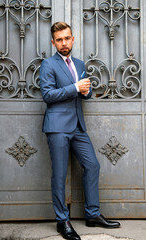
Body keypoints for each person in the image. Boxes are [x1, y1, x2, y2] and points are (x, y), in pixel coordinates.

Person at [39, 22, 120, 240]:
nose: (64, 43)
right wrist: (75, 88)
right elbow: (47, 95)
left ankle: (92, 214)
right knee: (59, 174)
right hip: (57, 127)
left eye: (67, 38)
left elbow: (87, 93)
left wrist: (86, 90)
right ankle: (62, 221)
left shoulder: (79, 63)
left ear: (72, 39)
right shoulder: (48, 65)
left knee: (92, 165)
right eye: (59, 39)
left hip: (78, 127)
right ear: (53, 42)